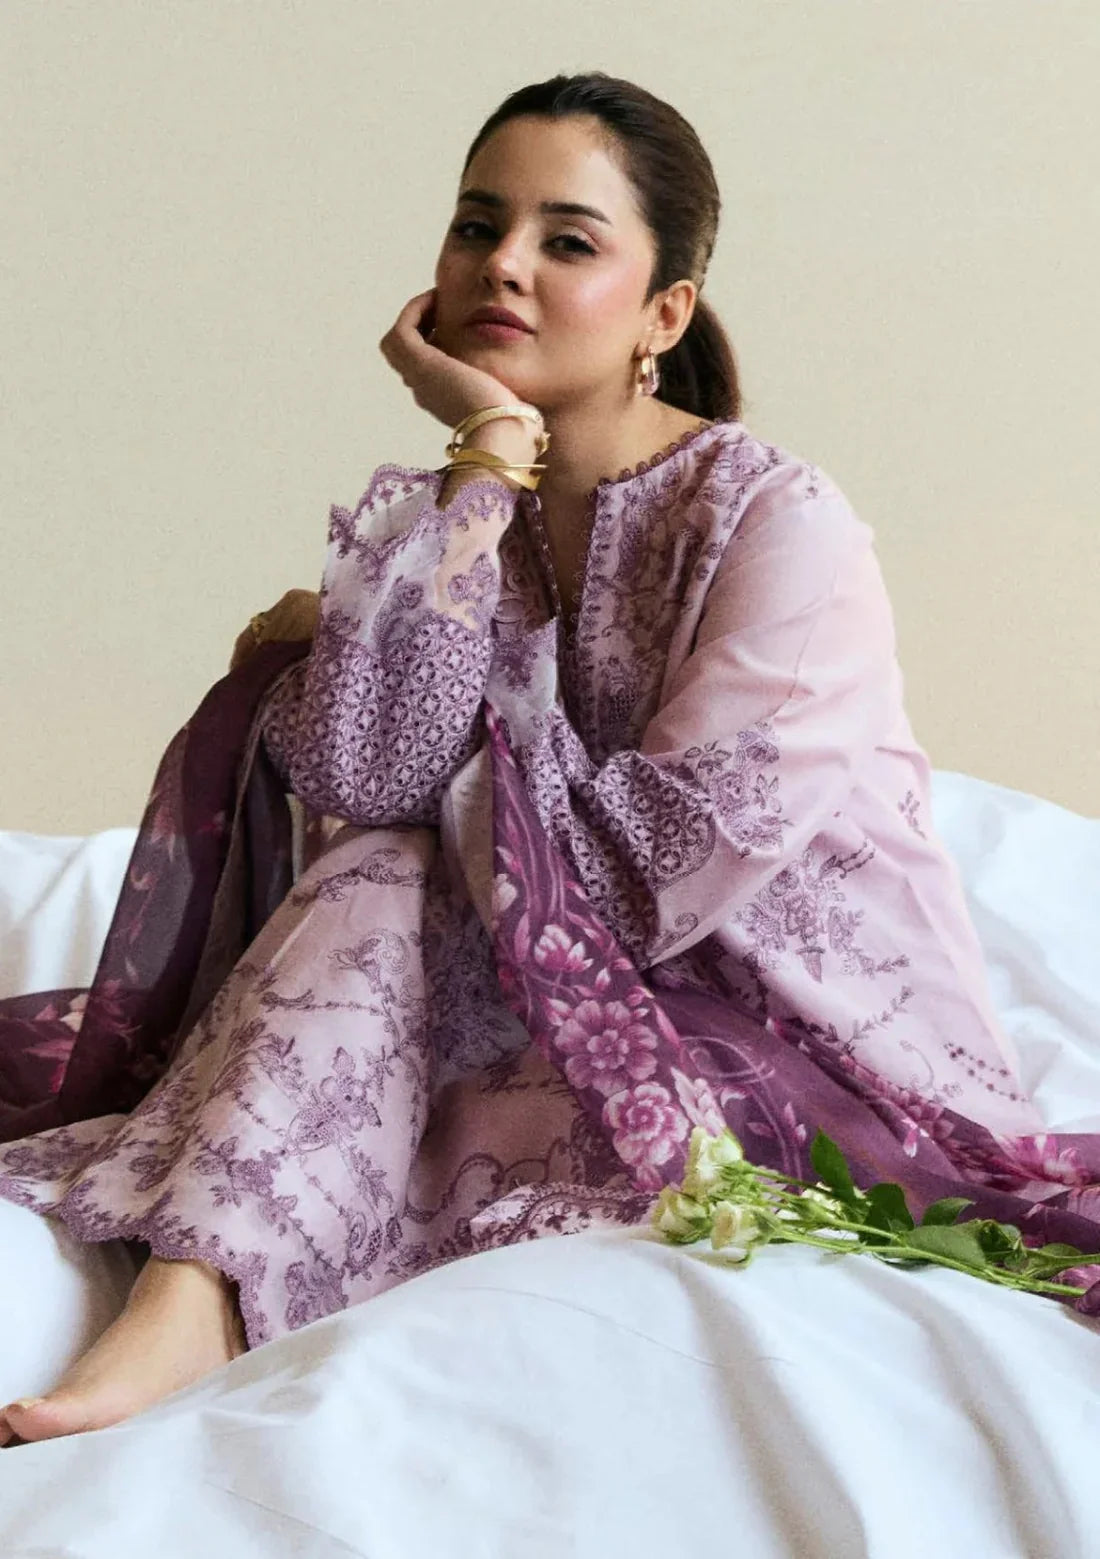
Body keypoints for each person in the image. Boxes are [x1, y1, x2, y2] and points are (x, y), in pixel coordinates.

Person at [2, 71, 1097, 1451]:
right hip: (529, 1003)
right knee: (382, 862)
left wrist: (362, 657)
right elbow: (365, 768)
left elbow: (648, 875)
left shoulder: (779, 527)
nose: (501, 265)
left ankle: (197, 1300)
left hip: (784, 1045)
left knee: (394, 866)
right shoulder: (465, 510)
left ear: (665, 316)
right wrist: (486, 460)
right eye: (475, 225)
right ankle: (192, 1290)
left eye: (568, 241)